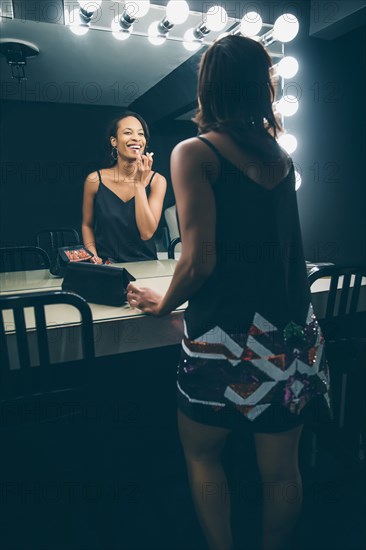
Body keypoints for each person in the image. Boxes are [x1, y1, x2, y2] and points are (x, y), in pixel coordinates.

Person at [126, 35, 330, 550]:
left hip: (224, 338)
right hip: (289, 334)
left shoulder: (195, 151)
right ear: (262, 87)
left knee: (202, 455)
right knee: (281, 471)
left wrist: (163, 302)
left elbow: (199, 259)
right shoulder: (280, 157)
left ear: (208, 87)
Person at [82, 112, 167, 263]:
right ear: (114, 141)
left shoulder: (157, 181)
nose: (136, 138)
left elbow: (146, 233)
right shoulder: (95, 180)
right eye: (128, 132)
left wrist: (139, 184)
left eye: (141, 134)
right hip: (107, 268)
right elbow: (87, 225)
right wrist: (92, 255)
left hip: (146, 268)